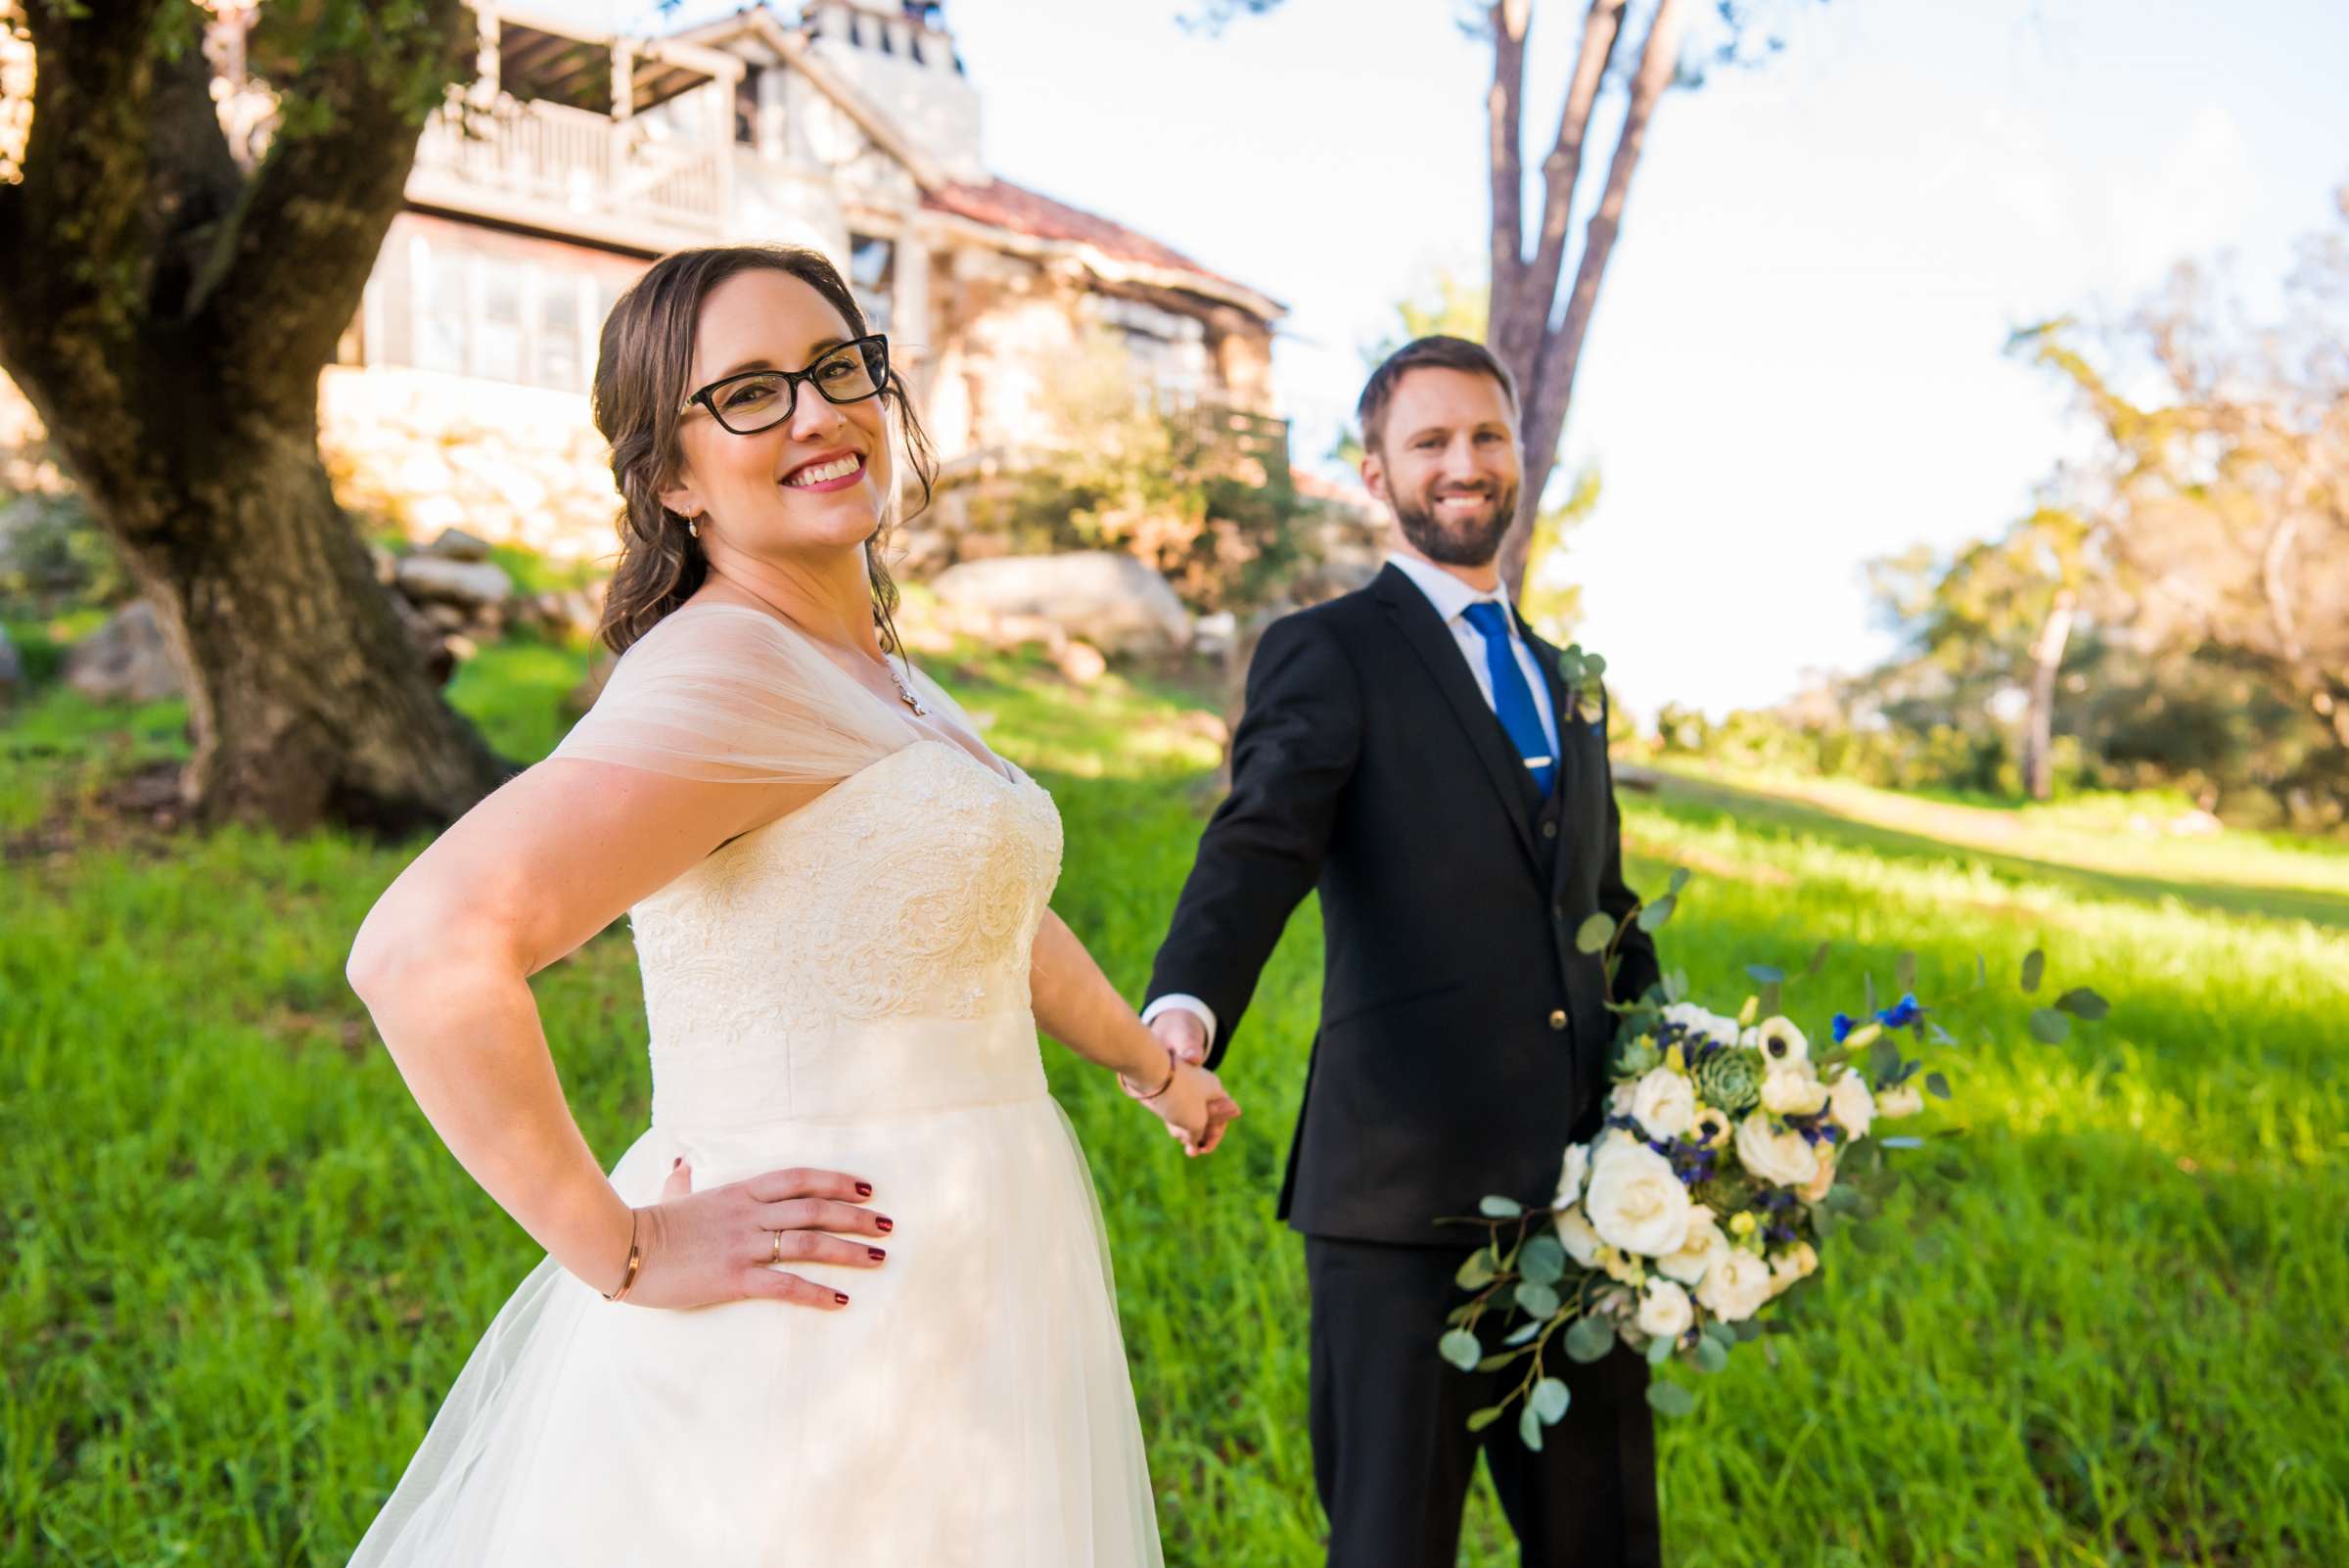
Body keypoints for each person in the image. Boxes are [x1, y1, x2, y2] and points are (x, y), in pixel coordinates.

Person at [344, 243, 1236, 1567]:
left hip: (980, 1252)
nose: (818, 412)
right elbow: (423, 949)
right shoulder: (722, 677)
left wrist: (1149, 1066)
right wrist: (623, 1248)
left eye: (835, 367)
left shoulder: (866, 668)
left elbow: (976, 918)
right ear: (670, 476)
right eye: (749, 393)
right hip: (824, 1299)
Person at [1142, 337, 1662, 1567]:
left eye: (1486, 436)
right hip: (1398, 1205)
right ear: (1376, 473)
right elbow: (1259, 842)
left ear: (1520, 458)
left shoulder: (1566, 678)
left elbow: (1604, 906)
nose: (1464, 463)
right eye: (1429, 441)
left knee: (1607, 1541)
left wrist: (1688, 1103)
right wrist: (1186, 1008)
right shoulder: (1332, 650)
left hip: (1585, 1201)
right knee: (1392, 1545)